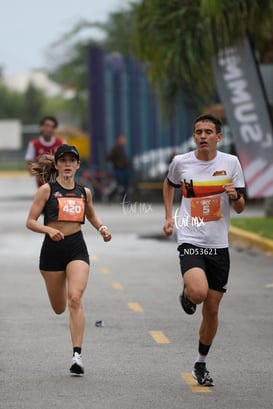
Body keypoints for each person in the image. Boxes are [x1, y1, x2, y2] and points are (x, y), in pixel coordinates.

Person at [163, 114, 245, 386]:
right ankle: (188, 293)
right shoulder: (181, 162)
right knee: (198, 293)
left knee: (211, 309)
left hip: (218, 243)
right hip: (190, 238)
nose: (203, 136)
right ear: (194, 136)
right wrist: (168, 216)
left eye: (208, 131)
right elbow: (169, 184)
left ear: (218, 137)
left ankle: (201, 363)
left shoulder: (231, 163)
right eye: (198, 131)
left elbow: (241, 206)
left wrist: (235, 196)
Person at [26, 144, 112, 375]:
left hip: (76, 248)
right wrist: (48, 230)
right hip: (51, 251)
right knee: (59, 307)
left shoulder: (85, 192)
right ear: (56, 165)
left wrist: (102, 228)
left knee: (75, 298)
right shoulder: (46, 190)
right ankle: (62, 301)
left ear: (77, 165)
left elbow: (91, 214)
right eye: (62, 160)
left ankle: (77, 355)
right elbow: (31, 221)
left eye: (71, 161)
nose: (67, 165)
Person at [25, 116, 65, 187]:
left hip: (59, 184)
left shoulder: (61, 143)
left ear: (54, 129)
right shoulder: (34, 144)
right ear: (41, 127)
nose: (49, 129)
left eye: (52, 127)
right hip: (41, 185)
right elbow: (29, 162)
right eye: (46, 126)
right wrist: (38, 174)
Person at [107, 134, 131, 201]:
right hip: (119, 170)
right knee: (120, 185)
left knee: (125, 185)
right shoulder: (116, 148)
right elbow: (109, 157)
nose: (124, 141)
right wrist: (117, 163)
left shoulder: (122, 148)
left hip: (124, 169)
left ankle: (124, 199)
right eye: (122, 139)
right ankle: (110, 196)